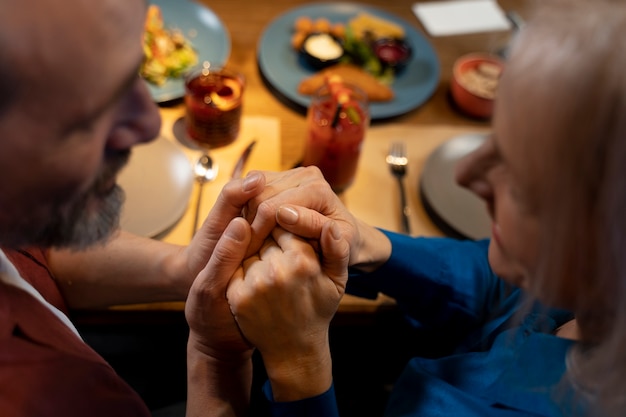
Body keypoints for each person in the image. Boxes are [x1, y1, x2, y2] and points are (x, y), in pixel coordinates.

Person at [224, 0, 626, 416]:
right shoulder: (587, 291)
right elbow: (506, 288)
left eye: (522, 182)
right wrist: (368, 244)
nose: (466, 174)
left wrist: (297, 365)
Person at [0, 0, 350, 416]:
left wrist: (185, 268)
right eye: (92, 109)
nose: (150, 123)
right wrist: (219, 354)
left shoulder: (19, 210)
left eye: (135, 76)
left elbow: (35, 250)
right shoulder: (52, 399)